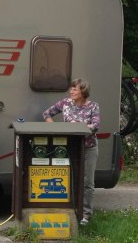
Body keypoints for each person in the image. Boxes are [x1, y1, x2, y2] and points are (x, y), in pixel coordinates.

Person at [42, 78, 100, 226]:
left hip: (88, 148)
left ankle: (85, 214)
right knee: (68, 178)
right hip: (69, 149)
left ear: (83, 91)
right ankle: (69, 209)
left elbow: (95, 126)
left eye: (75, 89)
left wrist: (79, 126)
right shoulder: (65, 103)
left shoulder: (93, 106)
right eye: (71, 88)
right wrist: (56, 129)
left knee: (87, 181)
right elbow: (46, 114)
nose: (72, 91)